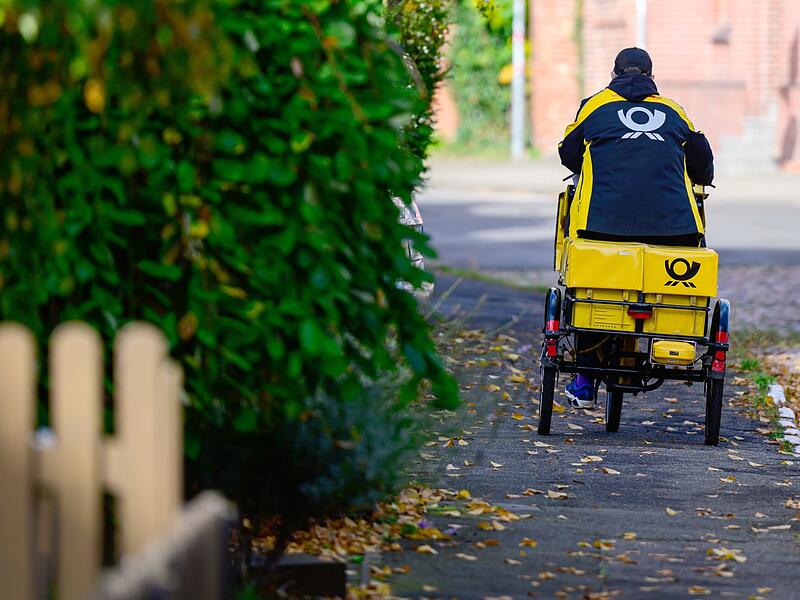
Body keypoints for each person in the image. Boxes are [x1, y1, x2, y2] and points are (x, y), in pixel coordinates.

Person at [558, 47, 715, 408]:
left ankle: (585, 380)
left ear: (613, 75)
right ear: (651, 77)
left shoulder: (594, 106)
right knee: (673, 293)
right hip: (676, 230)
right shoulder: (673, 110)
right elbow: (703, 162)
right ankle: (675, 345)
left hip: (602, 226)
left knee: (590, 289)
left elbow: (567, 154)